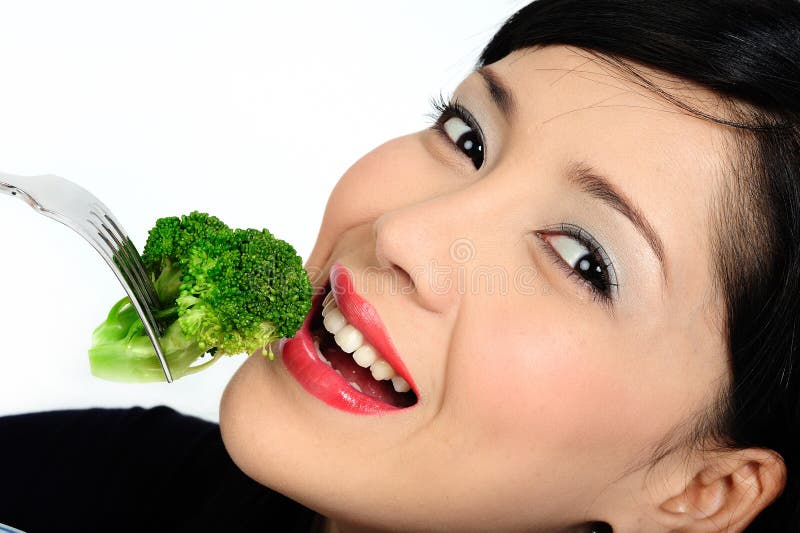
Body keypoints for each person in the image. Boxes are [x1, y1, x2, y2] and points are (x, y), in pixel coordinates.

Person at [1, 0, 799, 531]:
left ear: (704, 492)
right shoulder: (84, 486)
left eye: (582, 258)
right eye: (467, 138)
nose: (405, 233)